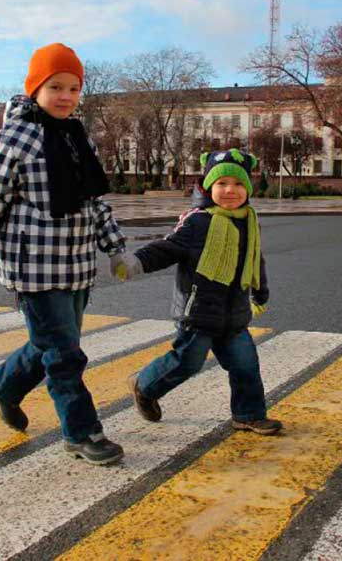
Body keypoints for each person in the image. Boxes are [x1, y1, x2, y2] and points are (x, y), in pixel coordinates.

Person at [0, 42, 128, 466]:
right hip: (33, 266)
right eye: (56, 86)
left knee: (52, 343)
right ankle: (82, 432)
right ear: (35, 87)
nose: (66, 96)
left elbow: (94, 202)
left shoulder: (75, 135)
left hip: (75, 267)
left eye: (73, 88)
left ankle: (4, 385)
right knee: (65, 354)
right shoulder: (12, 138)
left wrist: (115, 248)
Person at [114, 149, 282, 436]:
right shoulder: (197, 221)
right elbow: (168, 248)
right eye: (222, 183)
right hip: (198, 312)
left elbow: (255, 259)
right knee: (186, 363)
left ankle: (248, 414)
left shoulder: (248, 220)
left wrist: (260, 292)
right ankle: (144, 385)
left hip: (234, 314)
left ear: (248, 188)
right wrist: (136, 262)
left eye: (239, 184)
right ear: (208, 187)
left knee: (245, 365)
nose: (231, 190)